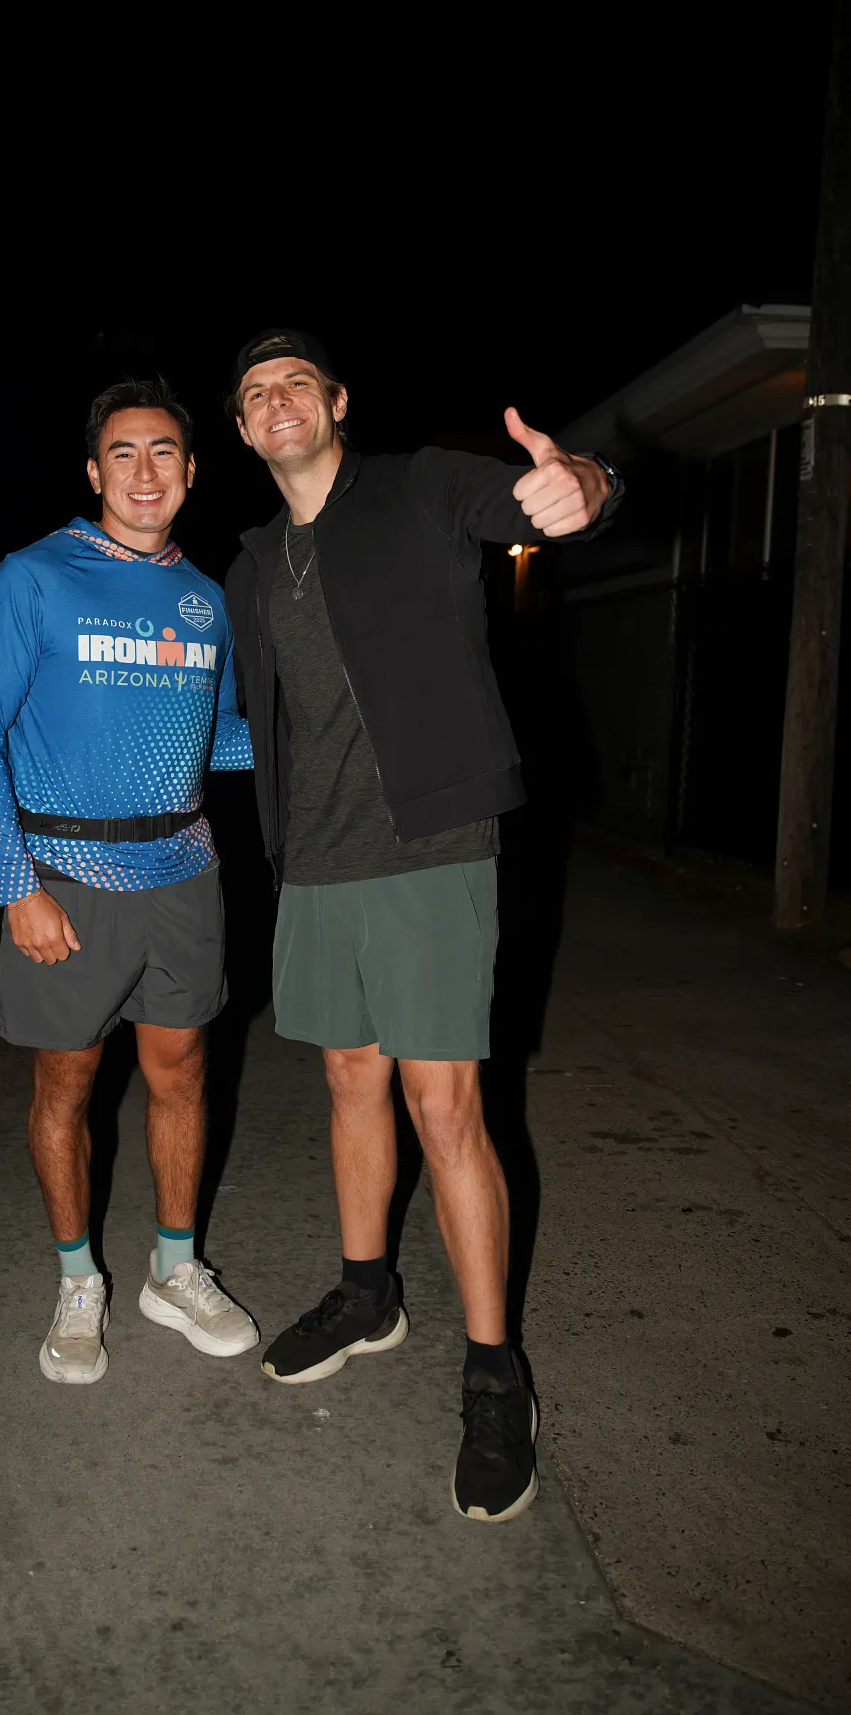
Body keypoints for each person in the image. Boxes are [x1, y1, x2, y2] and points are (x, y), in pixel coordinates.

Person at [222, 328, 622, 1520]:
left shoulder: (422, 488)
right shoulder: (253, 564)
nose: (277, 400)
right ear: (242, 430)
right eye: (255, 392)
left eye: (297, 382)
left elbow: (547, 501)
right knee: (350, 1081)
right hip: (314, 862)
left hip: (430, 844)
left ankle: (495, 1374)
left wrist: (586, 483)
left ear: (337, 401)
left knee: (444, 1109)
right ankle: (368, 1296)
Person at [0, 376, 258, 1386]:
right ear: (94, 472)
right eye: (123, 453)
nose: (144, 471)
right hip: (64, 875)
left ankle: (175, 1267)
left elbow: (217, 740)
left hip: (184, 874)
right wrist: (17, 886)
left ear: (192, 471)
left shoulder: (206, 601)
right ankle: (79, 1279)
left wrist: (319, 741)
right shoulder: (34, 577)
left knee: (182, 1074)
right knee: (67, 1084)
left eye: (164, 451)